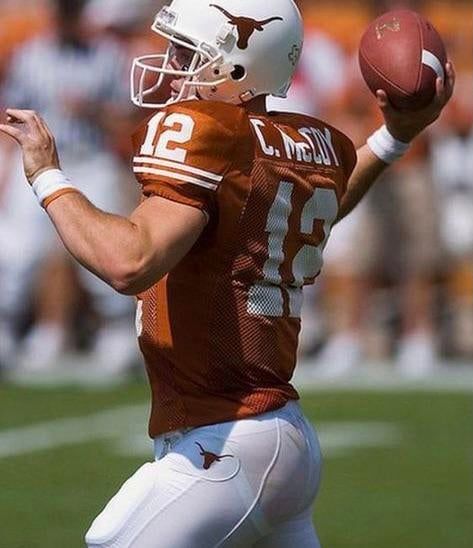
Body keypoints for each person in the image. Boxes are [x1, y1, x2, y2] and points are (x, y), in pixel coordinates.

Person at [0, 0, 454, 545]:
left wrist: (48, 175)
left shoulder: (205, 129)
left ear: (238, 65)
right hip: (279, 435)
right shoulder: (316, 144)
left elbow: (129, 262)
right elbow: (329, 199)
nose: (171, 63)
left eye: (189, 52)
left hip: (225, 440)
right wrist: (394, 136)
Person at [0, 0, 137, 374]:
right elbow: (8, 115)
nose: (66, 18)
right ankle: (7, 328)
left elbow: (127, 117)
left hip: (90, 160)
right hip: (34, 163)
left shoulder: (109, 56)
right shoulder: (29, 55)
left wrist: (91, 110)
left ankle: (117, 331)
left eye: (72, 11)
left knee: (104, 243)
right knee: (19, 248)